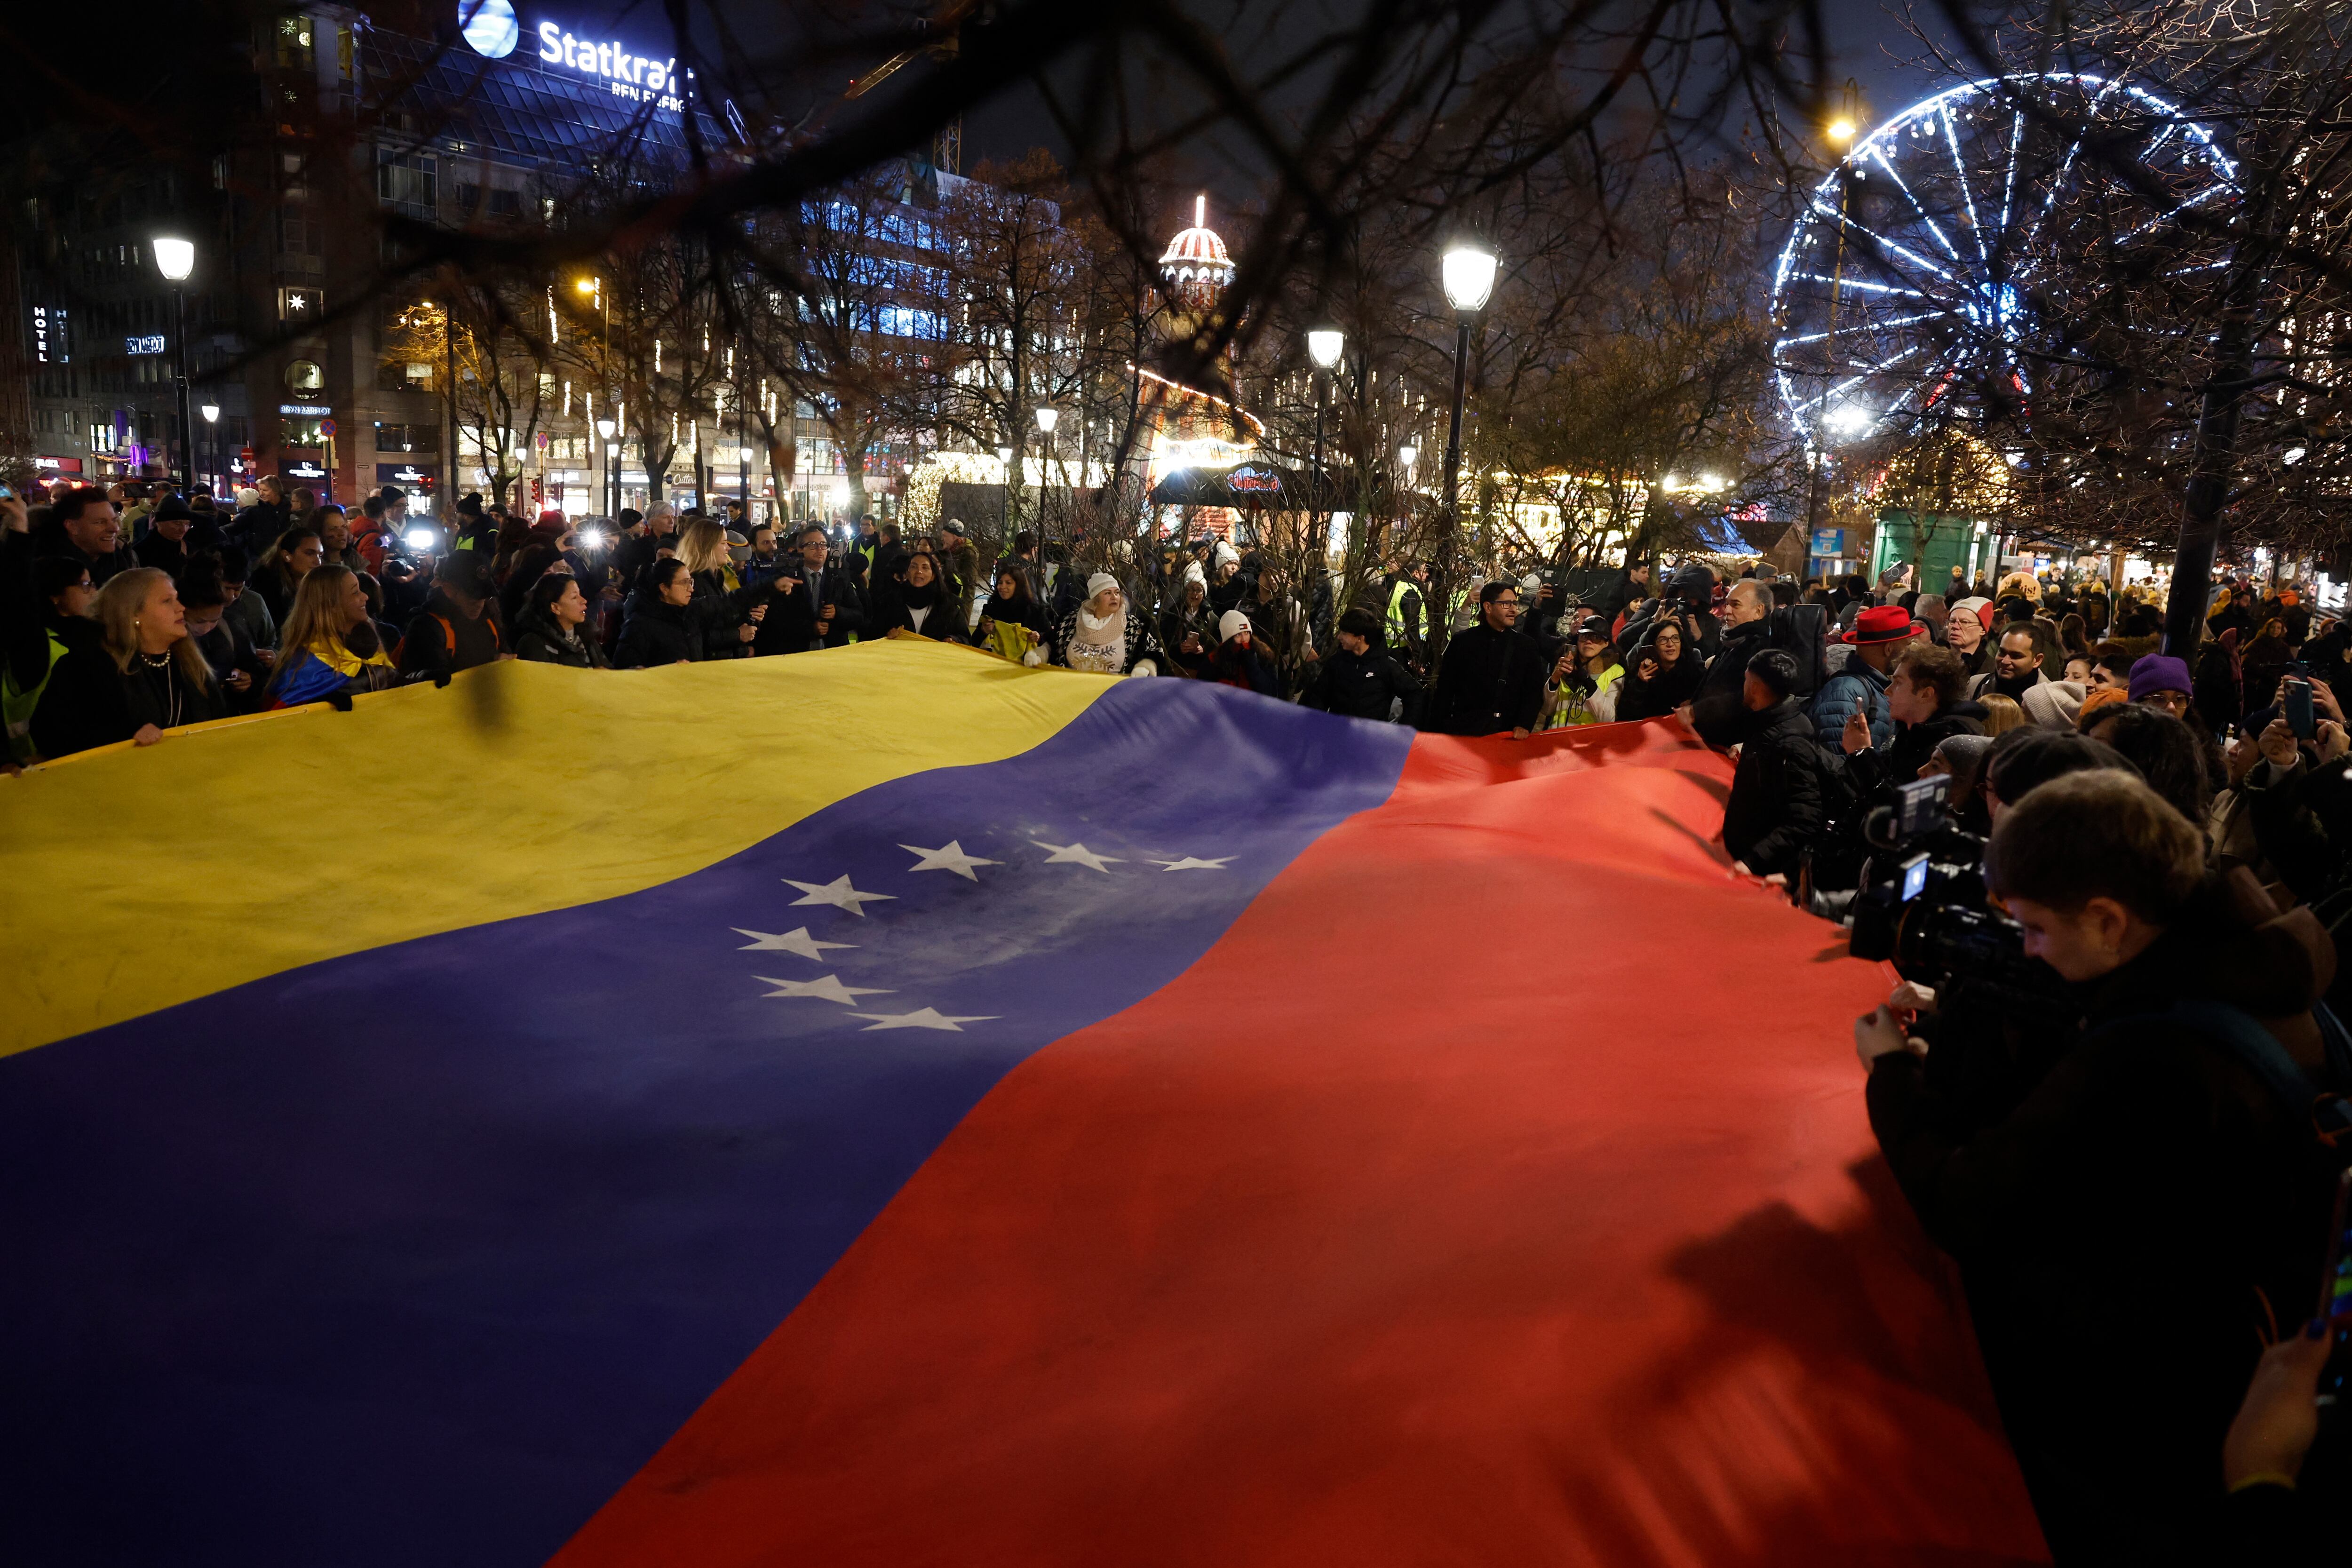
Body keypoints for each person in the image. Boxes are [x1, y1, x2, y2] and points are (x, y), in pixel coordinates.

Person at [1859, 771, 2336, 1562]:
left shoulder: (2146, 1059)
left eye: (2038, 930)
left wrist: (1892, 1074)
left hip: (2142, 1422)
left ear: (2109, 919)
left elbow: (1967, 1203)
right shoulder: (2254, 959)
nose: (2029, 950)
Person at [28, 566, 226, 757]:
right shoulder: (86, 666)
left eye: (176, 599)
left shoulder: (190, 662)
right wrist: (126, 737)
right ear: (133, 614)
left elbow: (220, 722)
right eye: (167, 601)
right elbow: (50, 735)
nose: (181, 608)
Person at [1723, 648, 1824, 880]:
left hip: (1760, 872)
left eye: (1746, 680)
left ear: (1756, 687)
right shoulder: (1769, 723)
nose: (1743, 686)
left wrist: (1753, 861)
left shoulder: (1790, 742)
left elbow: (1805, 819)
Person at [3, 557, 102, 763]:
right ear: (55, 595)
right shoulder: (36, 644)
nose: (94, 591)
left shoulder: (95, 635)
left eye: (93, 584)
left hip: (81, 756)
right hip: (34, 761)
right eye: (84, 585)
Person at [1421, 580, 1547, 737]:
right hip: (1464, 733)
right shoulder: (1463, 642)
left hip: (1507, 735)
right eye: (1506, 604)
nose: (1514, 610)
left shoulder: (1526, 646)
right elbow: (1445, 690)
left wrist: (1524, 725)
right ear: (1488, 607)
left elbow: (1533, 692)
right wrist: (1438, 731)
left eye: (1515, 604)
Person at [266, 565, 398, 706]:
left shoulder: (371, 644)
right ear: (332, 605)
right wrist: (320, 706)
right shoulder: (308, 662)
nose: (365, 597)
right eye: (355, 593)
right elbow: (284, 713)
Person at [1811, 604, 1915, 750]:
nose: (1909, 652)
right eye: (1907, 646)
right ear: (1888, 649)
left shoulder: (1875, 685)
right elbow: (1838, 763)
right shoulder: (1845, 692)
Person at [1686, 579, 1775, 745]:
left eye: (1736, 605)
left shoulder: (1761, 650)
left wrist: (1696, 711)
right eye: (1727, 604)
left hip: (1727, 748)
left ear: (1758, 611)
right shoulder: (1733, 639)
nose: (1726, 610)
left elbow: (1746, 697)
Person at [1300, 605, 1422, 724]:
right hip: (1338, 735)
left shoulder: (1385, 666)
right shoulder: (1337, 662)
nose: (1339, 637)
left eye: (1345, 633)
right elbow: (1319, 697)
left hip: (1371, 739)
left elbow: (1414, 693)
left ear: (1360, 638)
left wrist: (1403, 730)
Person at [397, 552, 504, 680]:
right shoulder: (426, 628)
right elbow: (432, 689)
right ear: (448, 589)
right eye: (472, 595)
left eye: (484, 595)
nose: (479, 603)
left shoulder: (490, 621)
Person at [175, 567, 263, 712]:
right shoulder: (167, 642)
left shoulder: (229, 627)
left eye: (214, 620)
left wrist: (249, 681)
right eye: (200, 622)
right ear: (181, 611)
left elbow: (254, 668)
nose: (207, 628)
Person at [1051, 572, 1161, 675]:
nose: (1114, 597)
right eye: (1108, 593)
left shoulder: (1132, 625)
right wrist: (1040, 654)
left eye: (1117, 593)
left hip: (1114, 691)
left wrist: (1145, 666)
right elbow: (1052, 645)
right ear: (1095, 599)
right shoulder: (1071, 621)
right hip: (1073, 688)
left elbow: (1155, 650)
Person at [613, 558, 705, 667]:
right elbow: (625, 668)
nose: (691, 589)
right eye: (684, 583)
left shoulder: (688, 617)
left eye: (691, 582)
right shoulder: (639, 625)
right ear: (664, 588)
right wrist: (667, 671)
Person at [1613, 614, 1704, 722]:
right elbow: (1626, 715)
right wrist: (1640, 684)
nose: (1670, 644)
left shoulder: (1695, 670)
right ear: (1654, 645)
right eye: (1663, 640)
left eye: (1675, 638)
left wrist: (1695, 705)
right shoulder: (1643, 672)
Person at [1540, 613, 1623, 729]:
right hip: (1557, 739)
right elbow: (1547, 710)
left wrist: (1588, 682)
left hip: (1588, 743)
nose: (1589, 642)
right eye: (1584, 636)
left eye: (1595, 638)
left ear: (1606, 643)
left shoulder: (1616, 671)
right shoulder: (1566, 662)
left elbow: (1608, 718)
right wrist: (1554, 680)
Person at [513, 573, 609, 667]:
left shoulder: (585, 635)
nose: (584, 601)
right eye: (574, 597)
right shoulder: (534, 643)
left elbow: (609, 671)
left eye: (580, 594)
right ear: (555, 608)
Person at [872, 551, 959, 640]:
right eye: (914, 567)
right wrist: (887, 635)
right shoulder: (889, 602)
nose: (919, 571)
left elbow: (963, 637)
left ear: (933, 575)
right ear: (907, 573)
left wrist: (952, 640)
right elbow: (872, 633)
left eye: (925, 568)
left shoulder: (947, 604)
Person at [252, 525, 324, 631]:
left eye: (320, 555)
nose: (318, 562)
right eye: (310, 554)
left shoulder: (317, 585)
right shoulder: (267, 587)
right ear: (287, 556)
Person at [974, 565, 1050, 665]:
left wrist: (1039, 637)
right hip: (993, 664)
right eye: (1000, 583)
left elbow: (1050, 638)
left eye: (1008, 583)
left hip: (1024, 668)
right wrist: (983, 631)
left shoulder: (1034, 610)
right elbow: (974, 642)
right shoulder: (991, 609)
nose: (1002, 587)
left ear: (1019, 585)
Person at [1207, 609, 1280, 696]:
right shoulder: (1216, 658)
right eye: (1238, 635)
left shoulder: (1264, 654)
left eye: (1246, 633)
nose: (1244, 639)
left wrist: (1251, 664)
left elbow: (1270, 691)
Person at [1968, 626, 2049, 704]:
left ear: (2037, 660)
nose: (2005, 661)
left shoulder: (2051, 698)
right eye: (2002, 653)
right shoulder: (1976, 685)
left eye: (2016, 656)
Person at [132, 496, 195, 577]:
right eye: (177, 524)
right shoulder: (141, 552)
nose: (184, 530)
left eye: (187, 524)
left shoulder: (190, 549)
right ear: (158, 522)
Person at [1943, 596, 1994, 677]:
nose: (1955, 626)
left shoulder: (1991, 669)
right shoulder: (1934, 662)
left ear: (1983, 630)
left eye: (1965, 622)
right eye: (1952, 621)